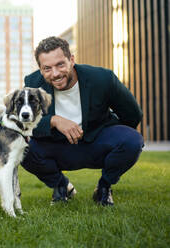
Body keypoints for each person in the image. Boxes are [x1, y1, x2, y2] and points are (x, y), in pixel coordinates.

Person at [22, 36, 144, 206]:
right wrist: (53, 121)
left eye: (60, 64)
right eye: (47, 68)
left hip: (96, 143)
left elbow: (132, 115)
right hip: (58, 147)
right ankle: (61, 186)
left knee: (132, 140)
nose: (55, 73)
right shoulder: (33, 83)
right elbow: (25, 125)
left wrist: (110, 134)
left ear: (71, 60)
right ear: (40, 69)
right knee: (23, 147)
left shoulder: (102, 79)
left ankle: (104, 187)